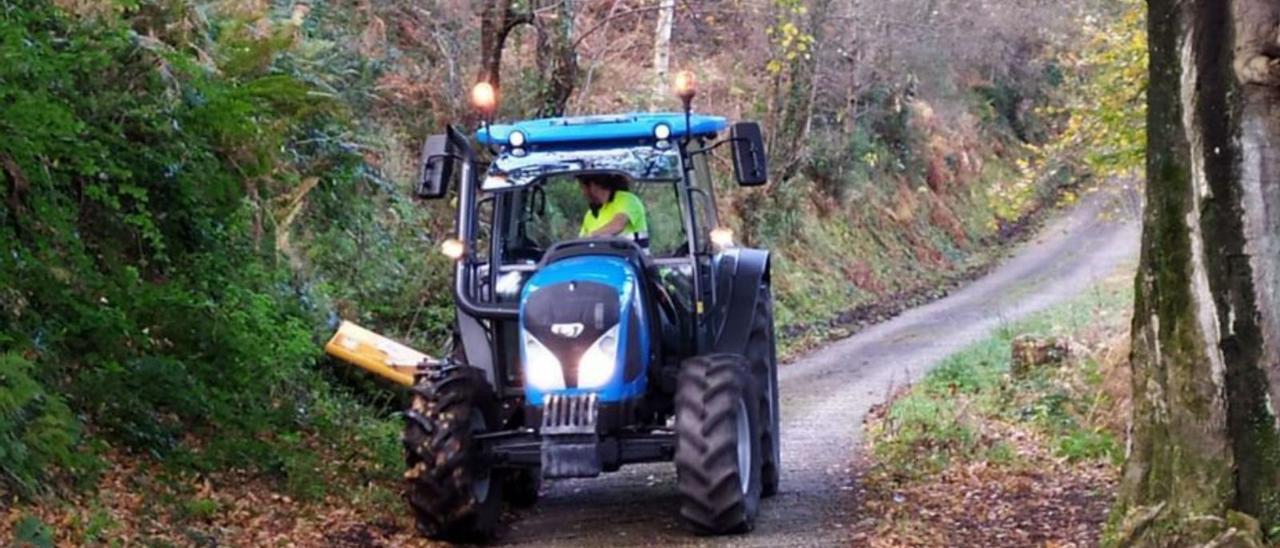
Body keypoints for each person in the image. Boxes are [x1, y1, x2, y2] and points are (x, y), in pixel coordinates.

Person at [578, 173, 649, 249]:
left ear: (593, 186)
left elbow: (617, 225)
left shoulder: (628, 200)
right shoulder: (590, 214)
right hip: (600, 259)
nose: (583, 193)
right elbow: (581, 241)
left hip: (630, 258)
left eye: (583, 188)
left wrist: (591, 236)